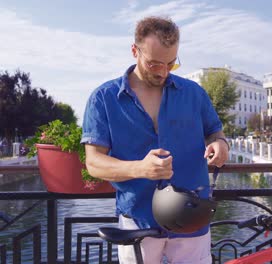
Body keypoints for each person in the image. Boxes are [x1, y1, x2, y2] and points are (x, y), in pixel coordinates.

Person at [80, 16, 229, 264]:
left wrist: (220, 144)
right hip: (137, 220)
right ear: (134, 51)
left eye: (171, 63)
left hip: (192, 216)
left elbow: (215, 132)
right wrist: (140, 168)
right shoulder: (103, 98)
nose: (163, 72)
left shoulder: (194, 93)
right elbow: (93, 163)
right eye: (154, 64)